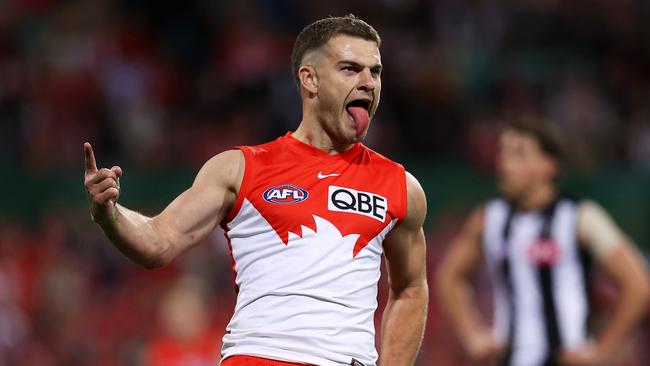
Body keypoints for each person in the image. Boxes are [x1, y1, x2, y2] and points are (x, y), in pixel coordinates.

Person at [83, 15, 428, 366]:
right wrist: (109, 214)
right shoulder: (240, 168)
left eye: (376, 71)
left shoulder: (401, 187)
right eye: (351, 69)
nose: (369, 82)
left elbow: (411, 289)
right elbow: (158, 241)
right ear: (310, 79)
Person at [436, 120, 650, 366]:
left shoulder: (580, 218)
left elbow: (638, 284)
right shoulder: (488, 218)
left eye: (519, 154)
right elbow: (450, 276)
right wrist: (471, 335)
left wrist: (602, 351)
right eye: (503, 152)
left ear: (548, 165)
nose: (504, 163)